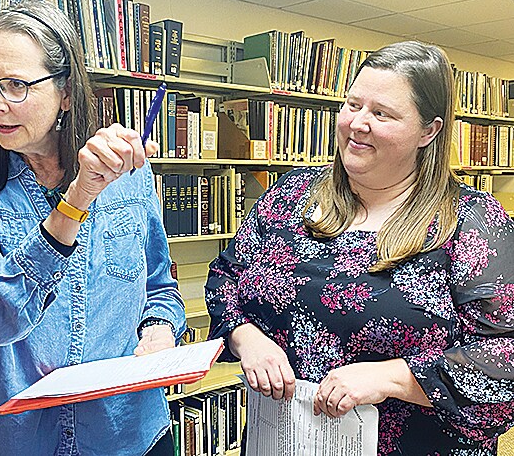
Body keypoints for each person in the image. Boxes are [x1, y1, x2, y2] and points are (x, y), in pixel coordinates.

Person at [205, 40, 514, 454]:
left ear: (429, 131)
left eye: (382, 113)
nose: (357, 124)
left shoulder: (473, 222)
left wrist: (393, 378)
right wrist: (247, 338)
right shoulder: (291, 196)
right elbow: (226, 277)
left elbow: (504, 357)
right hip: (283, 440)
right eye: (352, 105)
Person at [0, 0, 185, 456]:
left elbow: (159, 287)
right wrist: (78, 199)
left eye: (16, 86)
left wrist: (161, 330)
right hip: (14, 439)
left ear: (65, 92)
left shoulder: (130, 174)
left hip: (125, 433)